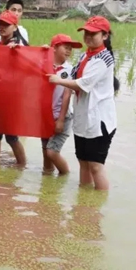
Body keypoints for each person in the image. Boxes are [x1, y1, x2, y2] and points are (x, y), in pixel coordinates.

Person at [48, 16, 117, 191]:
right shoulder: (86, 55)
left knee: (95, 165)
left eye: (93, 33)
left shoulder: (104, 59)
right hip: (83, 119)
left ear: (105, 36)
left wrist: (58, 80)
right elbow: (73, 75)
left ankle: (98, 206)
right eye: (86, 32)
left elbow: (83, 84)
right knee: (83, 163)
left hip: (99, 121)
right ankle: (84, 203)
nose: (88, 36)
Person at [0, 10, 27, 166]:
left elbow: (29, 68)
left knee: (11, 137)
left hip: (13, 98)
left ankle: (22, 165)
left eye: (6, 25)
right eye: (0, 24)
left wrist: (17, 54)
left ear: (15, 27)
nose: (1, 27)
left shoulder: (19, 46)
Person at [41, 34, 81, 174]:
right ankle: (47, 180)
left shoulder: (69, 70)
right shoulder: (44, 64)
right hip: (46, 115)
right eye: (66, 47)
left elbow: (66, 95)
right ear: (54, 48)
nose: (69, 51)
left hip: (62, 116)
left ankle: (64, 177)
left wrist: (61, 120)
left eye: (70, 49)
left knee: (52, 152)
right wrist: (41, 52)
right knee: (45, 149)